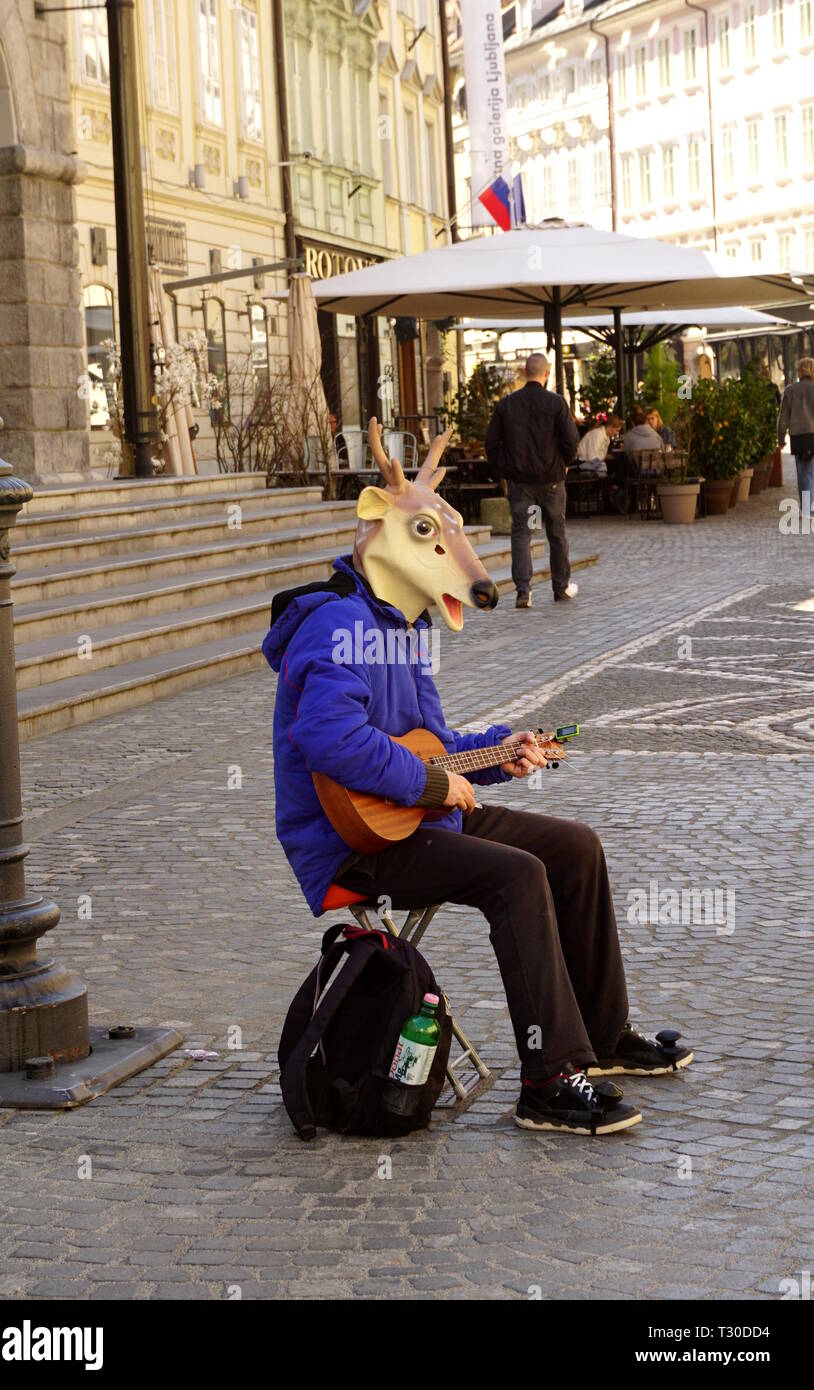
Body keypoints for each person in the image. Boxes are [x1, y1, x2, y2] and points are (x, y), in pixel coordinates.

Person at [264, 418, 694, 1138]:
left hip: (418, 814)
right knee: (518, 876)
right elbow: (329, 739)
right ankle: (549, 1078)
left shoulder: (404, 630)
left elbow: (436, 744)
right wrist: (434, 788)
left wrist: (504, 750)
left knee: (576, 847)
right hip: (355, 841)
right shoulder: (332, 625)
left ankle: (604, 1034)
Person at [484, 353, 580, 611]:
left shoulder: (507, 405)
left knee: (522, 534)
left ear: (524, 373)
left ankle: (523, 591)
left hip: (520, 482)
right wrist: (565, 463)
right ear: (546, 374)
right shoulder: (556, 403)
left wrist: (504, 469)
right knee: (557, 533)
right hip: (551, 480)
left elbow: (491, 444)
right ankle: (560, 588)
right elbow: (571, 439)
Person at [778, 356, 814, 519]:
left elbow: (783, 418)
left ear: (801, 372)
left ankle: (805, 508)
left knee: (802, 474)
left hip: (798, 438)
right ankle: (809, 509)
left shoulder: (790, 390)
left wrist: (781, 439)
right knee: (812, 473)